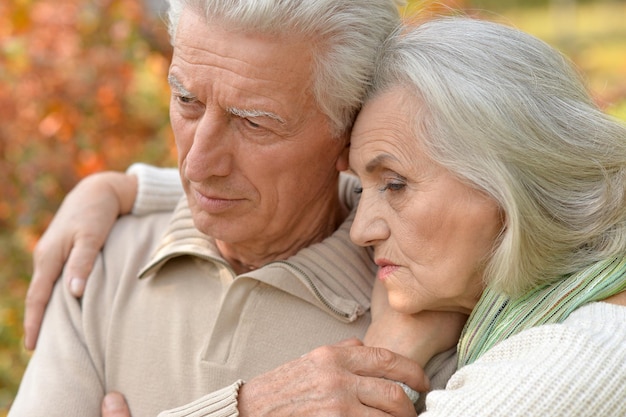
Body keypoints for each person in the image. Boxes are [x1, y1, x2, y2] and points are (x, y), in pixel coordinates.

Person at [11, 1, 462, 416]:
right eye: (187, 101)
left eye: (253, 122)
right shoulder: (101, 257)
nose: (197, 163)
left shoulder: (428, 315)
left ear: (351, 132)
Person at [349, 17, 626, 415]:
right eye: (361, 187)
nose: (361, 231)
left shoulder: (573, 363)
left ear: (510, 184)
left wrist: (386, 359)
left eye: (394, 185)